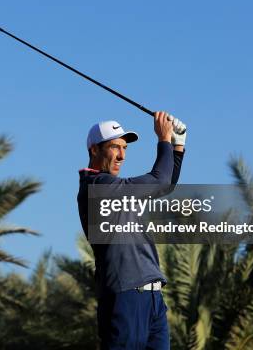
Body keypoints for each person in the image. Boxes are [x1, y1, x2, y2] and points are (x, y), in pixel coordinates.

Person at [77, 111, 186, 350]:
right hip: (124, 296)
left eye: (124, 148)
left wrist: (178, 144)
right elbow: (159, 180)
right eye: (115, 147)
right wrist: (163, 138)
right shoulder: (97, 186)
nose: (121, 155)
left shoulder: (117, 190)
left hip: (152, 297)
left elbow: (163, 185)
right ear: (94, 150)